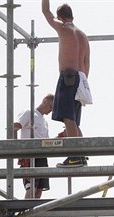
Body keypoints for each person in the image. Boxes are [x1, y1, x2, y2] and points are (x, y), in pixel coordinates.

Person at [42, 0, 91, 168]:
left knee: (67, 117)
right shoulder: (83, 35)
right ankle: (80, 154)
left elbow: (46, 12)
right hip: (80, 78)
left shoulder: (63, 28)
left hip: (68, 77)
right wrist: (83, 84)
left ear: (60, 17)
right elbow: (86, 62)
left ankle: (75, 155)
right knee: (74, 120)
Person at [13, 93, 54, 199]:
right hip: (29, 155)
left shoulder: (44, 121)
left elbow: (47, 141)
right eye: (51, 107)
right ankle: (25, 214)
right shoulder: (29, 113)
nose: (51, 110)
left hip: (42, 156)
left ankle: (31, 214)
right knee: (32, 187)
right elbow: (14, 127)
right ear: (45, 101)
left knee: (39, 189)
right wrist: (16, 148)